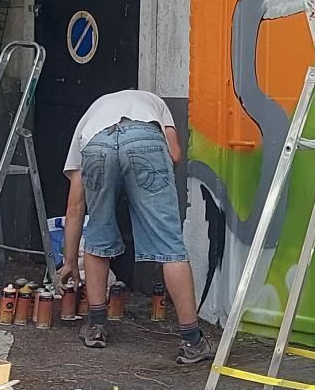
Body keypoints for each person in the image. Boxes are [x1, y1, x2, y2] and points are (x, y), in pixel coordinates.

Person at [62, 88, 209, 364]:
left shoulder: (87, 122)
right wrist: (152, 188)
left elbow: (75, 207)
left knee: (99, 234)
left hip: (97, 148)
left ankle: (95, 327)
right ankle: (192, 341)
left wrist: (69, 260)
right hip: (145, 139)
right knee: (170, 246)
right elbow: (175, 154)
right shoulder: (154, 103)